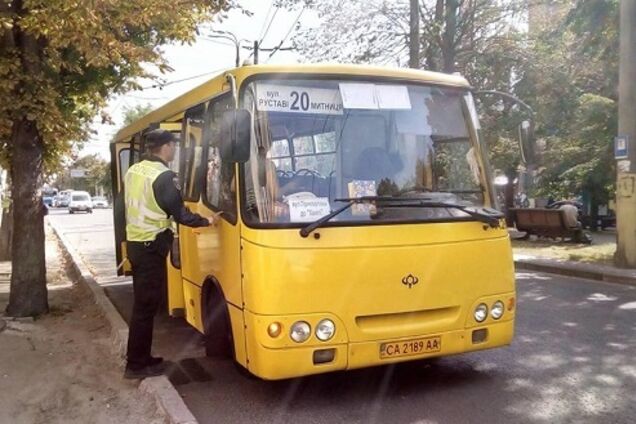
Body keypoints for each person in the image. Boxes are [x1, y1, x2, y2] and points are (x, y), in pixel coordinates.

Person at [123, 129, 219, 379]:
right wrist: (208, 220)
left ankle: (141, 358)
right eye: (173, 145)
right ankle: (136, 365)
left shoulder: (135, 170)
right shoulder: (163, 176)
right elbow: (181, 215)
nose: (174, 149)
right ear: (165, 147)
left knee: (143, 306)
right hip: (150, 247)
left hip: (137, 243)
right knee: (145, 308)